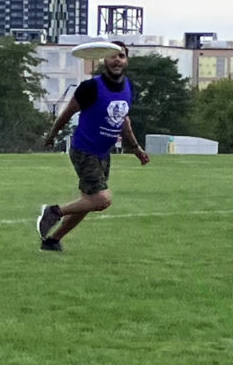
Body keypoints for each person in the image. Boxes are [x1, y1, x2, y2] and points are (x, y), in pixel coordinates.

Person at [37, 41, 149, 251]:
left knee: (89, 201)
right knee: (102, 200)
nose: (117, 60)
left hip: (103, 153)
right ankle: (54, 212)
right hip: (84, 150)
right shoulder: (91, 87)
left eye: (122, 56)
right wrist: (52, 135)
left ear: (127, 60)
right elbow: (68, 112)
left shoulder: (128, 87)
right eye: (112, 55)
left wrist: (136, 149)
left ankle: (52, 241)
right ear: (104, 59)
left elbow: (123, 121)